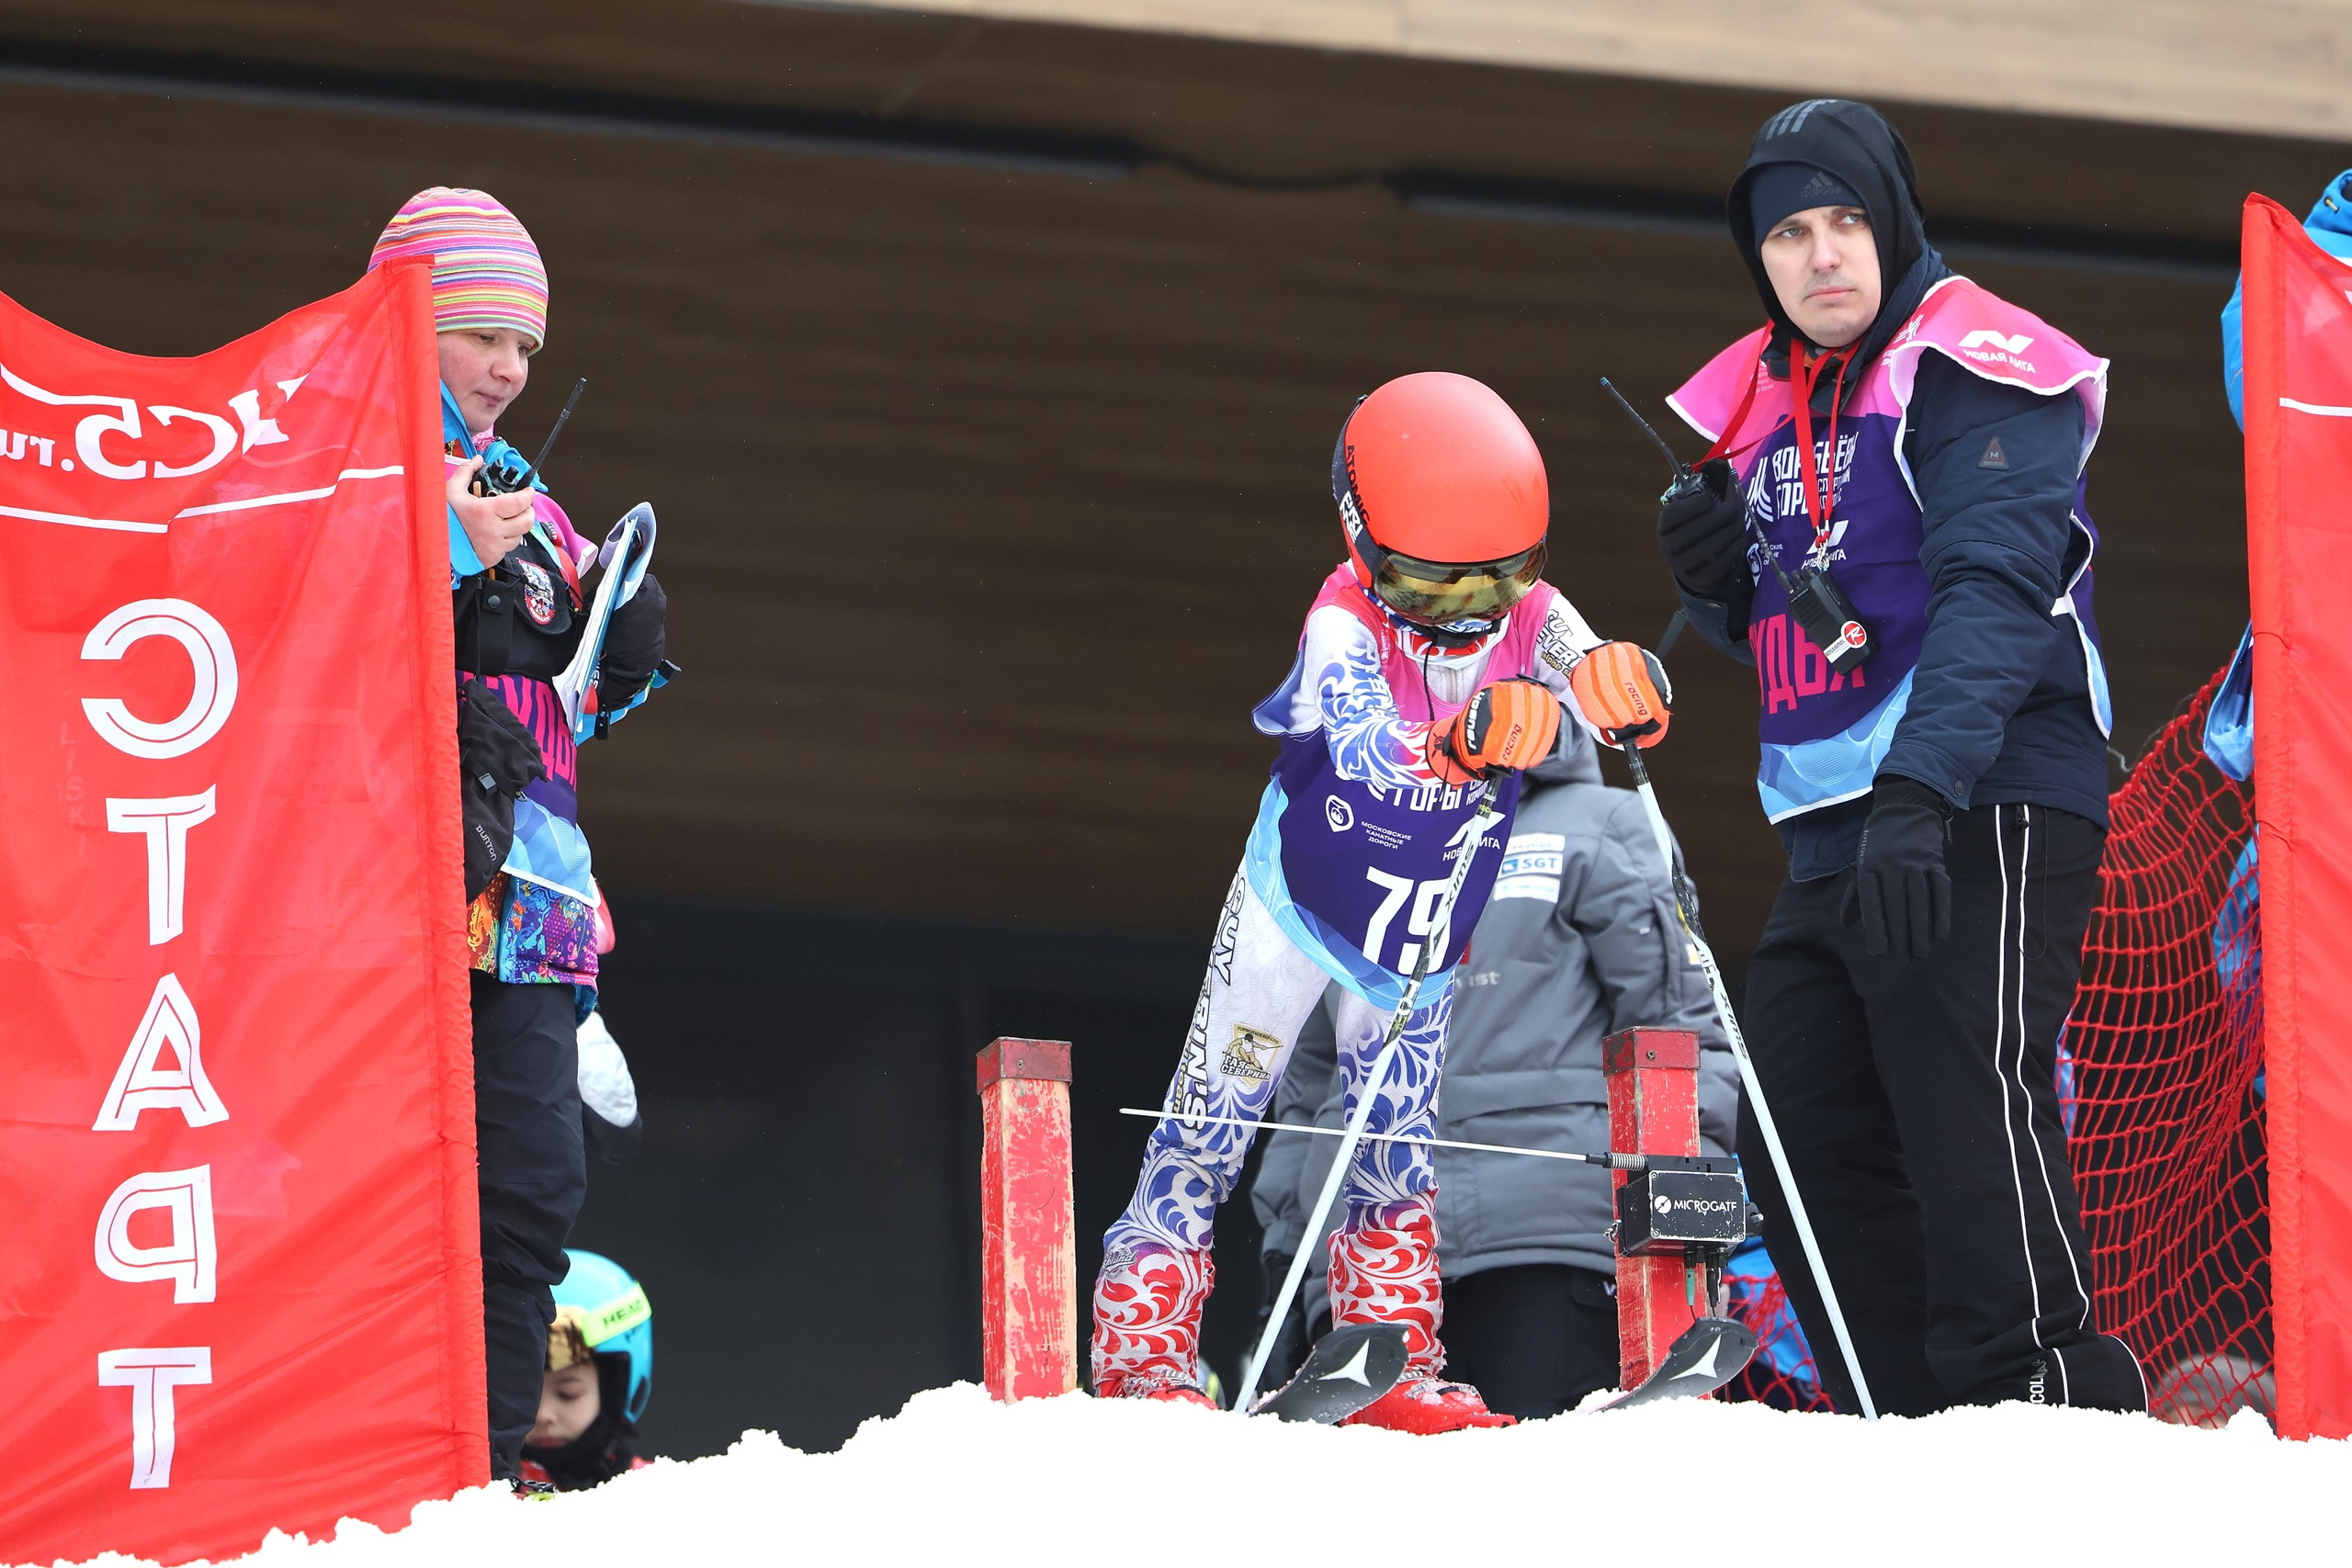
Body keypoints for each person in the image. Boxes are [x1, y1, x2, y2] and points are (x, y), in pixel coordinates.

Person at [1654, 99, 2143, 1413]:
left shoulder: (1974, 356)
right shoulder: (1754, 395)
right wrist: (1711, 586)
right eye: (1791, 234)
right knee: (1805, 1121)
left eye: (1848, 221)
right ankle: (1912, 1421)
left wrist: (1925, 791)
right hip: (1835, 818)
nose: (1823, 257)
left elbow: (1993, 586)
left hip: (1981, 786)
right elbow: (1808, 614)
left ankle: (2042, 1399)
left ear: (1897, 218)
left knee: (1961, 1096)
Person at [1092, 370, 1675, 1433]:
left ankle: (1393, 1356)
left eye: (1496, 582)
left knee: (1398, 1132)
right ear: (1362, 542)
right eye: (1431, 586)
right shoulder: (1342, 618)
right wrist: (1459, 743)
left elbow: (1577, 658)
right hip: (1303, 895)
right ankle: (1143, 1347)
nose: (1467, 614)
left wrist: (1615, 686)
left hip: (1422, 911)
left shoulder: (1528, 611)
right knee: (1218, 1106)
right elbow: (1359, 745)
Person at [368, 187, 672, 1482]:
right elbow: (280, 625)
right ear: (402, 320)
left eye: (526, 348)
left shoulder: (534, 497)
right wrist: (433, 542)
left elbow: (565, 699)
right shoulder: (342, 453)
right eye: (479, 332)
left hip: (535, 909)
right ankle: (371, 1479)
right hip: (393, 887)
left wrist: (623, 639)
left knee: (528, 1202)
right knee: (378, 1192)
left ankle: (479, 1488)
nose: (507, 367)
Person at [1250, 722, 1740, 1419]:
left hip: (1547, 1245)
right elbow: (1306, 1094)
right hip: (1363, 1263)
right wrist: (1288, 1261)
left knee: (1527, 1515)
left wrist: (1687, 1231)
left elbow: (1678, 1043)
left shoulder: (1600, 826)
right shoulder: (1339, 855)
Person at [520, 1249, 656, 1491]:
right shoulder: (474, 1496)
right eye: (523, 1396)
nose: (542, 1415)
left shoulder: (661, 1496)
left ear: (617, 1386)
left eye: (568, 1393)